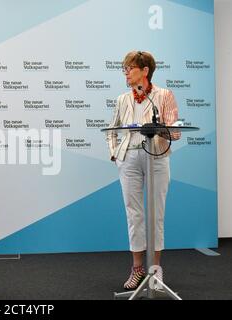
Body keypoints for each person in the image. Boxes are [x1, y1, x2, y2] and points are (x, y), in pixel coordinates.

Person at [106, 51, 180, 290]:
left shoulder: (164, 95)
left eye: (129, 68)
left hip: (157, 156)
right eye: (124, 69)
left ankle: (154, 271)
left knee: (156, 213)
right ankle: (138, 269)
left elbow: (175, 132)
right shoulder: (122, 99)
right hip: (129, 158)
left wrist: (156, 129)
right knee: (134, 214)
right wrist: (115, 153)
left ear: (144, 70)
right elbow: (112, 129)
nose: (126, 73)